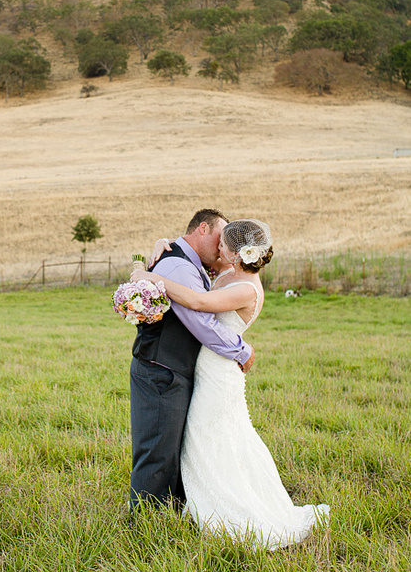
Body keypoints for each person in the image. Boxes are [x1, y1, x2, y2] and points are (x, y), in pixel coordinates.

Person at [131, 218, 329, 549]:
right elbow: (187, 256)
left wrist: (151, 277)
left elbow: (198, 303)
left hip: (220, 374)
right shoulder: (228, 272)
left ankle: (227, 510)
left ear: (236, 253)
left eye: (224, 243)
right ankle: (194, 504)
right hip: (206, 368)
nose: (218, 246)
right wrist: (162, 244)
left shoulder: (246, 287)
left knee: (209, 440)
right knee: (206, 440)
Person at [129, 208, 255, 515]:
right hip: (162, 369)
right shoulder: (180, 267)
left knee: (172, 447)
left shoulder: (188, 262)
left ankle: (172, 511)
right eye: (219, 237)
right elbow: (202, 324)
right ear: (202, 228)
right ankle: (145, 523)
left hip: (174, 368)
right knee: (157, 450)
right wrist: (242, 350)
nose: (222, 246)